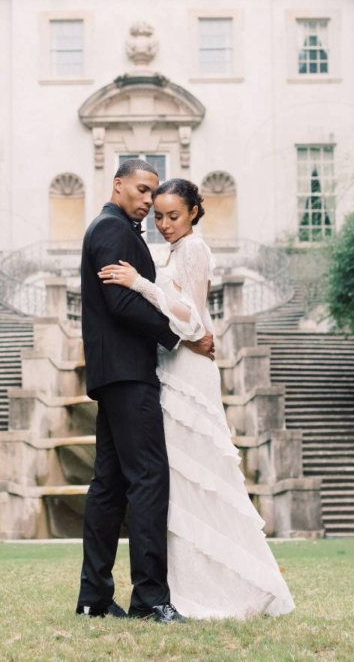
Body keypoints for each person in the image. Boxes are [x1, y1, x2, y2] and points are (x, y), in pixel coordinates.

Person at [99, 178, 295, 619]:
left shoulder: (194, 249)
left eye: (174, 216)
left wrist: (139, 285)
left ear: (193, 213)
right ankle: (181, 584)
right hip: (167, 366)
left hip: (188, 371)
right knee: (175, 482)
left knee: (197, 475)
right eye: (159, 216)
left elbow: (192, 319)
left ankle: (219, 587)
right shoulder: (166, 251)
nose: (165, 224)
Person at [74, 159, 215, 624]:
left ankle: (94, 598)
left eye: (154, 193)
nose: (150, 200)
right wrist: (182, 338)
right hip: (129, 373)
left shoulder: (112, 228)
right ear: (117, 185)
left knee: (109, 486)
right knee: (149, 479)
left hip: (113, 372)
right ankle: (151, 599)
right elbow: (121, 303)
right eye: (141, 189)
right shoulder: (113, 231)